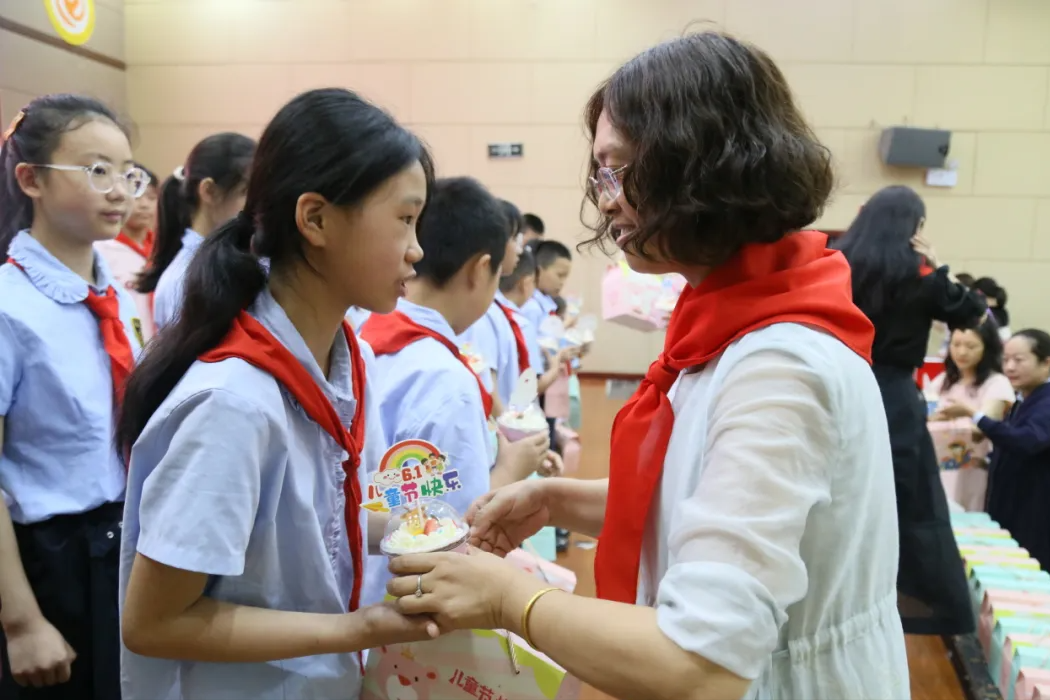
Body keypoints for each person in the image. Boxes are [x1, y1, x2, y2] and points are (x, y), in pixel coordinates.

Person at [384, 31, 909, 700]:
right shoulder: (735, 322)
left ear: (701, 165)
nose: (606, 199)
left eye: (619, 169)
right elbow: (719, 497)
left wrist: (510, 600)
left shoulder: (777, 365)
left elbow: (701, 665)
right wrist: (557, 499)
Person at [115, 88, 440, 699]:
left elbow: (321, 523)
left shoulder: (348, 357)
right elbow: (154, 622)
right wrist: (357, 628)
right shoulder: (234, 403)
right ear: (315, 219)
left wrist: (432, 530)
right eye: (404, 219)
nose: (417, 249)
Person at [0, 94, 149, 699]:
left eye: (128, 173)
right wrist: (22, 622)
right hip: (47, 560)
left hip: (121, 541)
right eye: (96, 170)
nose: (120, 190)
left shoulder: (118, 294)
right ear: (30, 179)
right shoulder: (10, 306)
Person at [834, 184, 985, 636]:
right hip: (896, 394)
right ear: (912, 228)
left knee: (843, 490)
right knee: (908, 497)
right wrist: (938, 266)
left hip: (842, 386)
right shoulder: (921, 275)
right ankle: (901, 602)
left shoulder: (837, 262)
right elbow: (972, 312)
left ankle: (838, 597)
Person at [940, 329, 1050, 570]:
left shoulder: (1046, 401)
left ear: (1046, 363)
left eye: (1019, 360)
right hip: (1009, 501)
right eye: (1006, 359)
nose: (1010, 367)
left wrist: (975, 415)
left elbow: (1027, 441)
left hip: (1033, 509)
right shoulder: (1023, 399)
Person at [137, 132, 255, 330]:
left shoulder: (238, 260)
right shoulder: (183, 281)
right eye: (246, 192)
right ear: (209, 191)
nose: (257, 205)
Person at [928, 317, 1014, 511]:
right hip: (936, 468)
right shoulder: (944, 380)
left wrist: (956, 415)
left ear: (987, 348)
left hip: (970, 472)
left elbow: (982, 429)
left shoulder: (996, 383)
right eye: (956, 344)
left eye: (971, 346)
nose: (962, 352)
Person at [456, 198, 525, 410]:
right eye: (514, 238)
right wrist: (512, 433)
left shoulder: (495, 305)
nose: (520, 249)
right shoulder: (480, 311)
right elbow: (488, 386)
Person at [96, 163, 159, 342]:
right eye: (137, 195)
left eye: (151, 197)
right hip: (126, 348)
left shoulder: (163, 249)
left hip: (162, 354)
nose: (145, 205)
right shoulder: (101, 249)